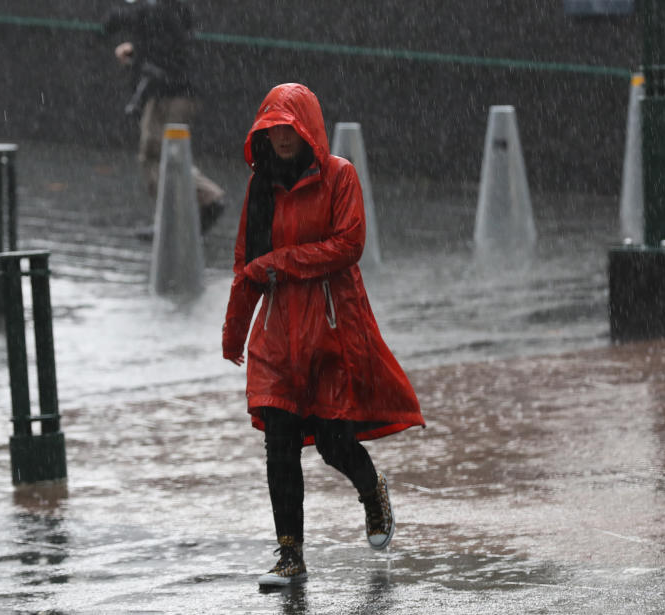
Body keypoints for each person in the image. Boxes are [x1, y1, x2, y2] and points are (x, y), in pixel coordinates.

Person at [222, 83, 426, 587]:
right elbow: (248, 263)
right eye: (271, 129)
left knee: (335, 441)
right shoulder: (260, 186)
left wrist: (282, 264)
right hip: (276, 338)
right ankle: (290, 555)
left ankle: (371, 491)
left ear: (307, 128)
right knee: (280, 444)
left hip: (330, 330)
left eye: (289, 128)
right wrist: (234, 331)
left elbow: (347, 245)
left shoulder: (340, 176)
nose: (281, 137)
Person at [102, 0, 226, 237]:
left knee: (157, 155)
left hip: (168, 94)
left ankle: (200, 202)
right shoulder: (172, 10)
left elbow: (114, 20)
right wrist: (139, 49)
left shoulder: (154, 10)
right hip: (179, 91)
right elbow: (170, 40)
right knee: (166, 154)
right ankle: (184, 213)